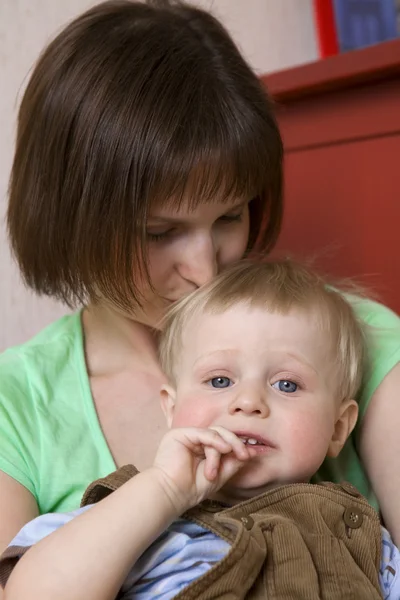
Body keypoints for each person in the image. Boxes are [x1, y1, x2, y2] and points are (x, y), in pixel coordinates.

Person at [0, 0, 399, 582]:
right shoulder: (18, 405)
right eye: (159, 233)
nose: (206, 270)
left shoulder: (357, 340)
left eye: (230, 218)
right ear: (70, 218)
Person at [1, 259, 399, 599]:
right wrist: (163, 491)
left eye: (287, 385)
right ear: (171, 409)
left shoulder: (360, 535)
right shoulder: (129, 514)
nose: (249, 402)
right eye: (220, 381)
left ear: (338, 428)